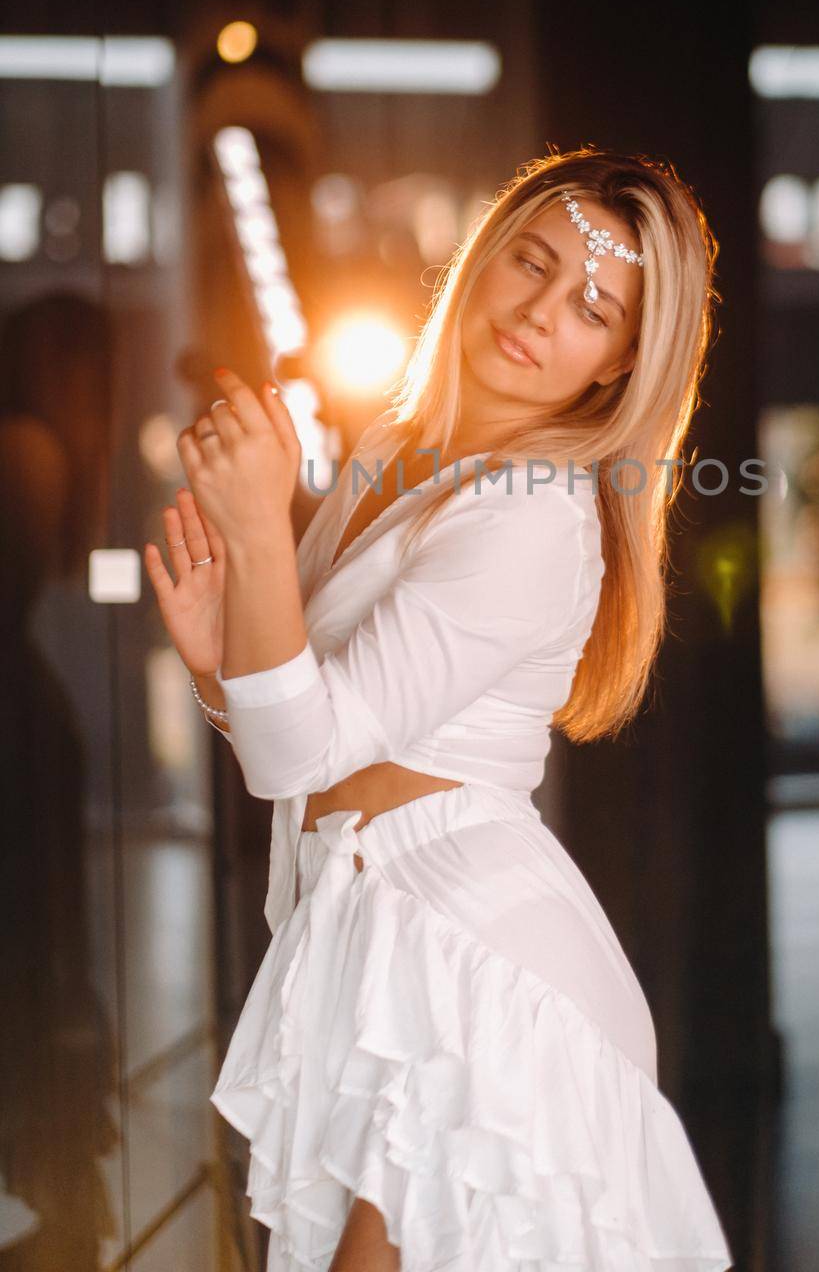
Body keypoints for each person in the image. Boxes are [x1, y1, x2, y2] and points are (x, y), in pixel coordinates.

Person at [145, 146, 733, 1271]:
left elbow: (300, 749)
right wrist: (224, 671)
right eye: (529, 261)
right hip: (373, 932)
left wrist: (263, 527)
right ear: (480, 259)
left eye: (592, 306)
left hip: (481, 969)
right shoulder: (394, 457)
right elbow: (300, 739)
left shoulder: (535, 513)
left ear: (615, 365)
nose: (538, 312)